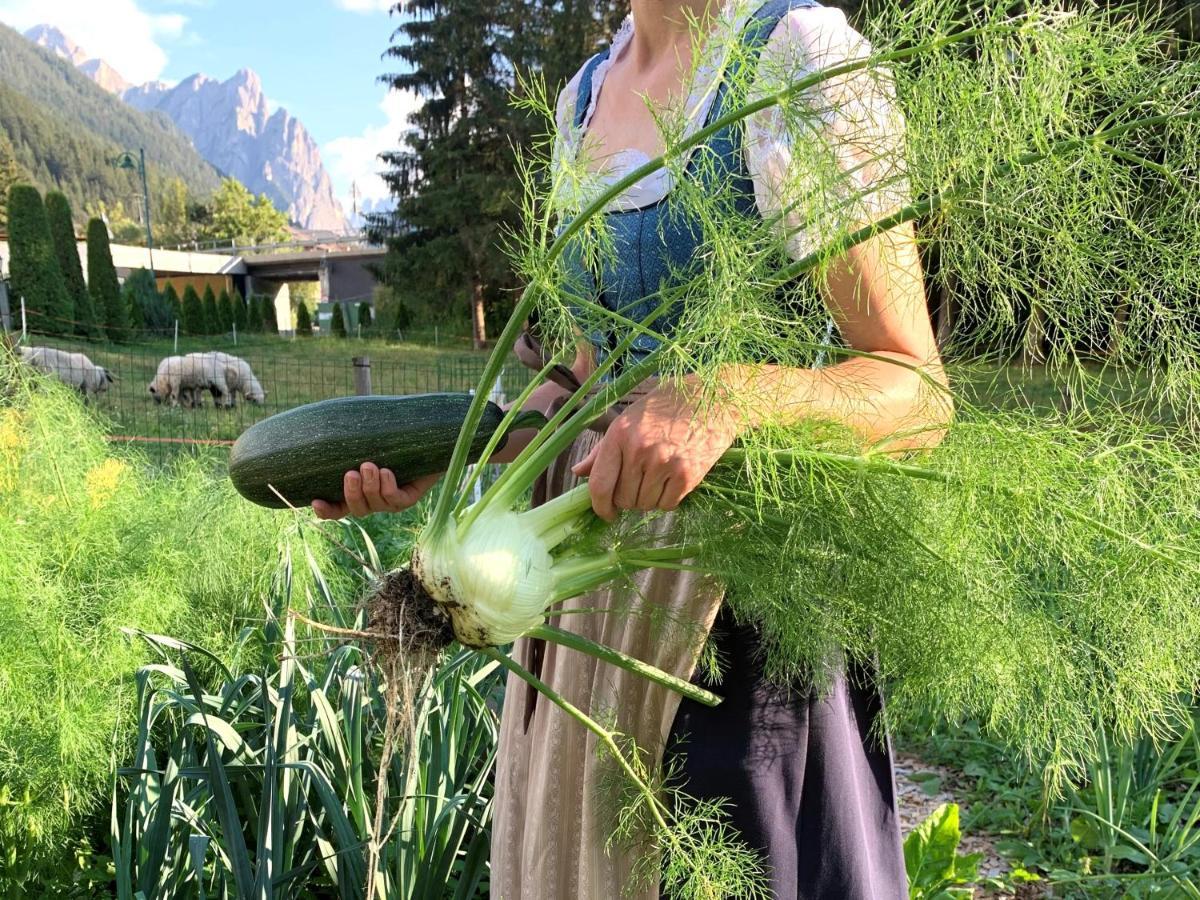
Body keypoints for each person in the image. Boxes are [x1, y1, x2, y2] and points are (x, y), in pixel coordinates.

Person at [315, 0, 948, 896]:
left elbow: (914, 389)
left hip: (748, 629)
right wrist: (451, 448)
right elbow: (583, 378)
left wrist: (732, 395)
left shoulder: (794, 60)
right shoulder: (580, 99)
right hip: (588, 617)